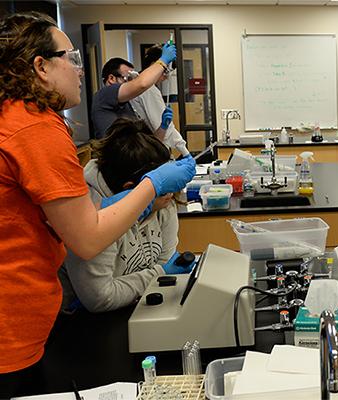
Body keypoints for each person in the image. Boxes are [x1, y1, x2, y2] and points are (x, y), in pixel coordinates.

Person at [0, 12, 195, 396]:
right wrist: (152, 186)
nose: (79, 71)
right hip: (12, 326)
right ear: (40, 66)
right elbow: (87, 240)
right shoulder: (34, 128)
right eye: (70, 59)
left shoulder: (17, 118)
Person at [59, 119, 195, 313]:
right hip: (83, 324)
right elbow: (100, 298)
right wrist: (159, 274)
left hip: (136, 310)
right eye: (162, 189)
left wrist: (147, 280)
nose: (170, 196)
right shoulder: (91, 218)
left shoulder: (163, 203)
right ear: (130, 189)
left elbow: (165, 263)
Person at [91, 46, 176, 139]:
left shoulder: (127, 104)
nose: (131, 83)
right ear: (111, 78)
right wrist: (163, 61)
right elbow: (141, 84)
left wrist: (163, 127)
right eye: (128, 78)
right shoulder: (104, 94)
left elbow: (148, 144)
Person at [130, 44, 190, 156]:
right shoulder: (149, 90)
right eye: (166, 70)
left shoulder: (135, 84)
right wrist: (184, 151)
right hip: (150, 149)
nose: (167, 76)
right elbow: (164, 128)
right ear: (155, 65)